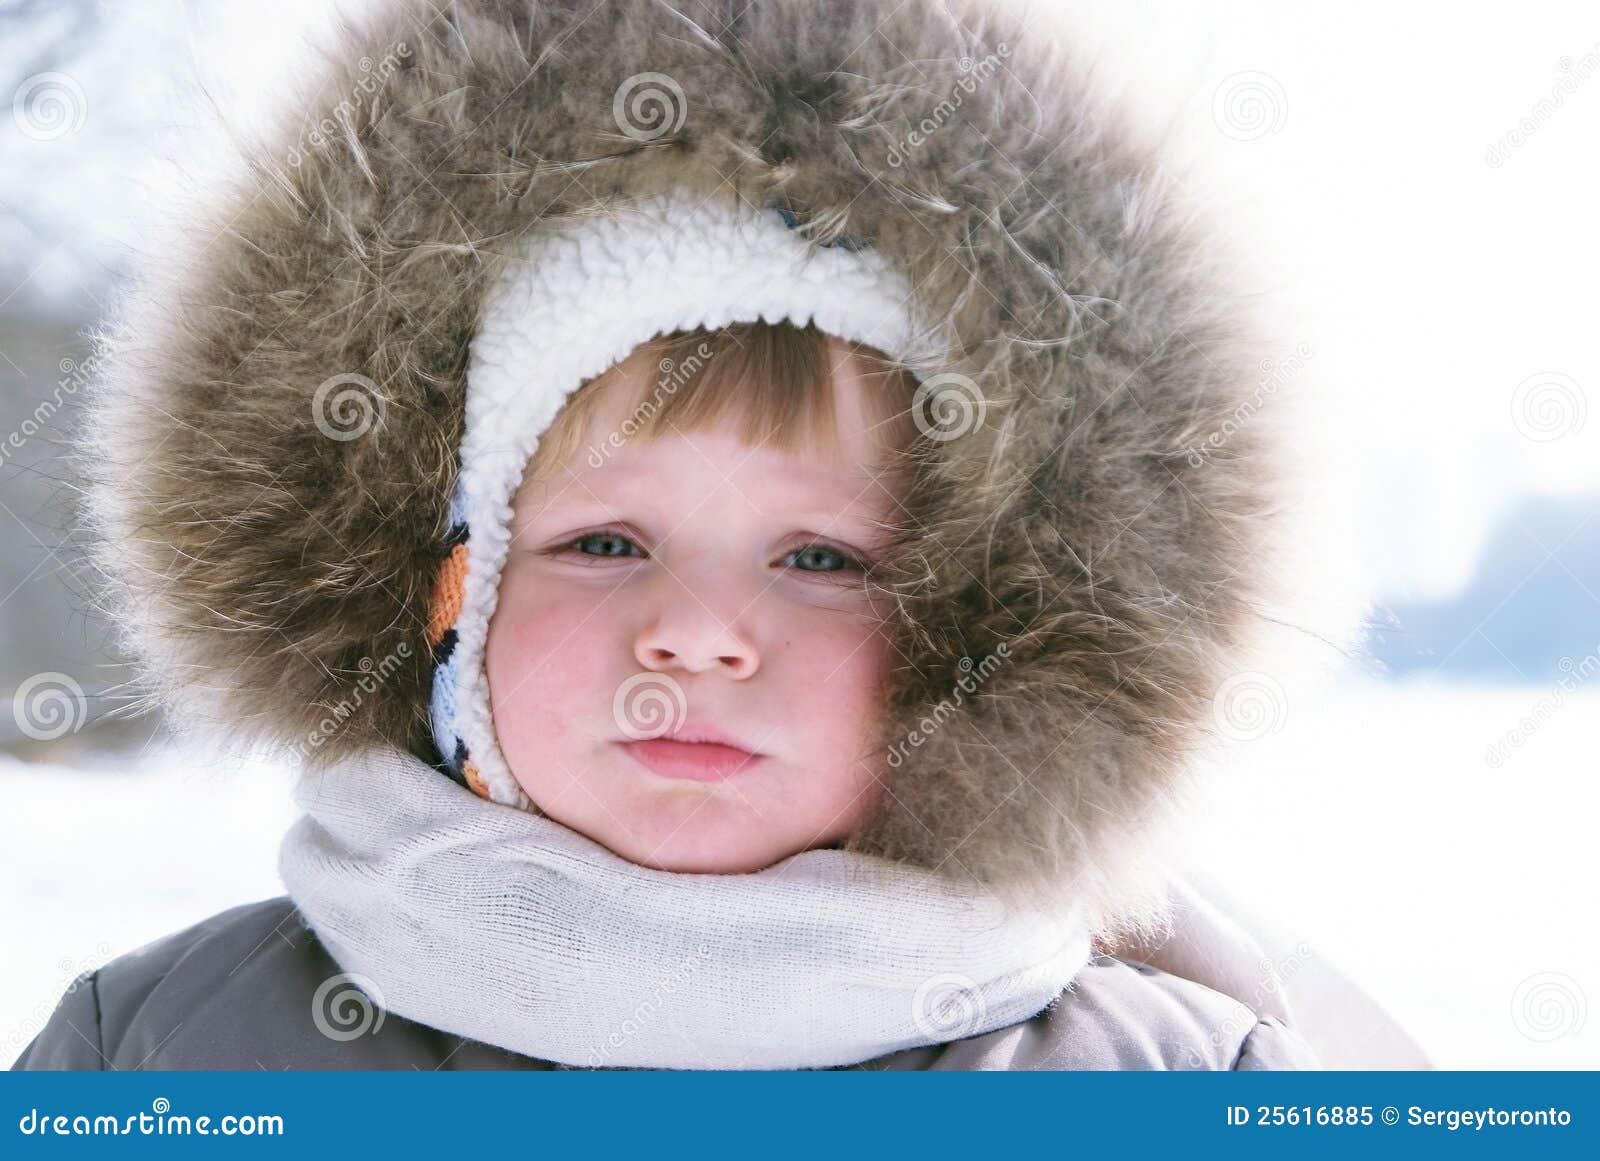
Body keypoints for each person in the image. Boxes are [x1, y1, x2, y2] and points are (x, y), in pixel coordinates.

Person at [15, 0, 1355, 1070]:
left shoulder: (1174, 1081)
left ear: (969, 645)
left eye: (820, 559)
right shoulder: (156, 1060)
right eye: (605, 542)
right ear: (449, 607)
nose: (702, 633)